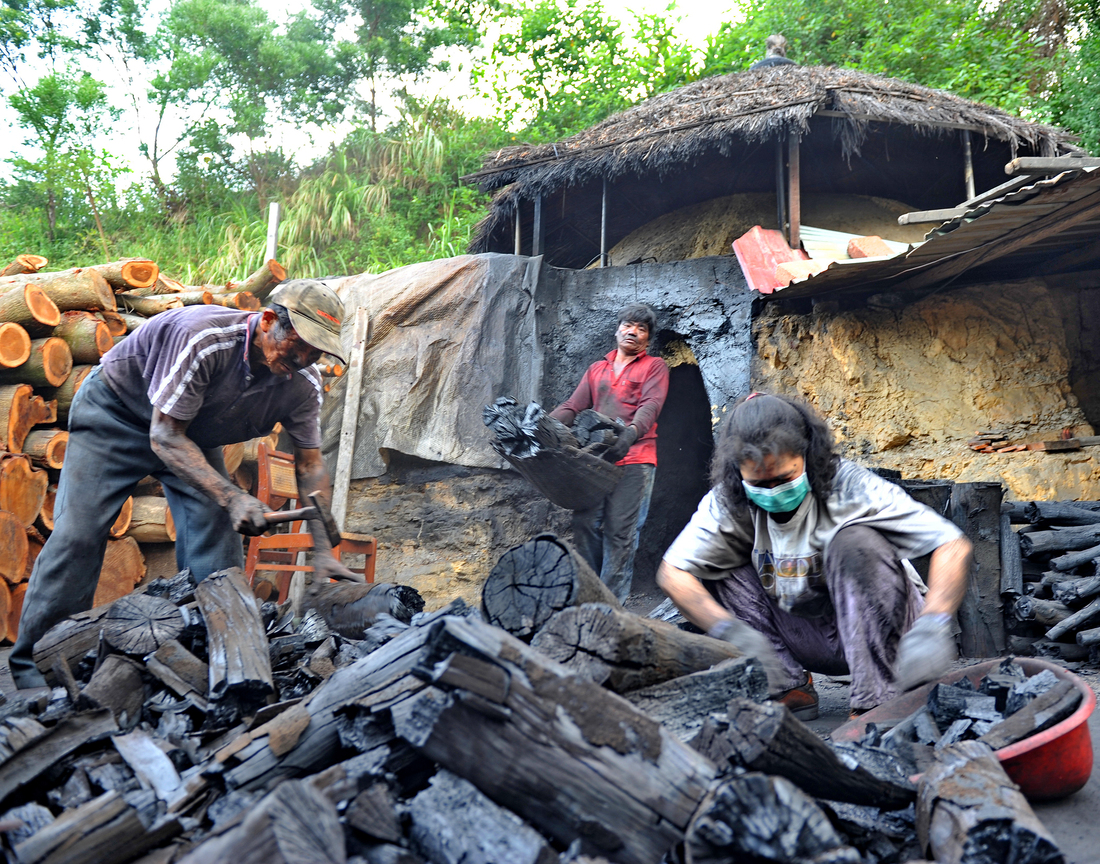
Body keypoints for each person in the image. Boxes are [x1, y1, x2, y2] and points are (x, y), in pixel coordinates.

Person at [10, 280, 361, 689]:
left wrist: (323, 548)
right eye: (298, 344)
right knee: (78, 535)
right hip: (117, 415)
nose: (303, 359)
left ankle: (221, 659)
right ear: (268, 320)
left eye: (315, 352)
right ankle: (40, 665)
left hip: (190, 435)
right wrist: (232, 496)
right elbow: (164, 436)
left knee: (217, 542)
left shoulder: (303, 384)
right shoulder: (206, 338)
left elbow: (310, 465)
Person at [657, 392, 971, 718]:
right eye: (759, 484)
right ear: (738, 472)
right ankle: (787, 686)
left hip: (885, 633)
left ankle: (876, 700)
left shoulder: (850, 486)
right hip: (801, 635)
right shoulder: (727, 500)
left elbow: (951, 544)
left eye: (784, 479)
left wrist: (933, 624)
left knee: (856, 542)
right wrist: (731, 631)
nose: (773, 491)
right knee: (715, 563)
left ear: (807, 454)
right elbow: (672, 573)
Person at [549, 303, 669, 603]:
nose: (633, 332)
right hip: (598, 459)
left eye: (641, 329)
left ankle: (610, 607)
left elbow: (651, 405)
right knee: (585, 523)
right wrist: (541, 424)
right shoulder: (597, 369)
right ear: (617, 330)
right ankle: (590, 598)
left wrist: (630, 434)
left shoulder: (654, 366)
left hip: (636, 458)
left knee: (620, 533)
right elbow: (573, 406)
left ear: (648, 339)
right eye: (628, 325)